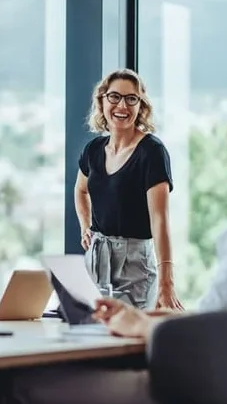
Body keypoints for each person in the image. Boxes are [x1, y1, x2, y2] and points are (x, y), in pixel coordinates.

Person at [7, 101, 227, 404]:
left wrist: (139, 327)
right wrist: (144, 318)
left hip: (207, 389)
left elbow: (210, 333)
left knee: (26, 385)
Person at [76, 68, 181, 310]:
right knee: (93, 337)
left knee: (129, 341)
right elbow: (81, 190)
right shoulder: (93, 150)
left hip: (135, 264)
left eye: (131, 99)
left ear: (140, 106)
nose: (121, 105)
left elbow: (160, 219)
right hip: (96, 258)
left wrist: (167, 283)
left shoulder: (152, 152)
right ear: (102, 101)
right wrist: (85, 226)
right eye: (114, 97)